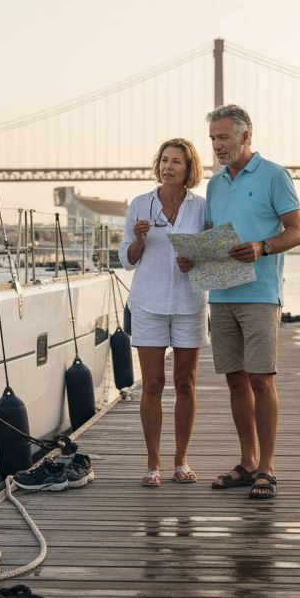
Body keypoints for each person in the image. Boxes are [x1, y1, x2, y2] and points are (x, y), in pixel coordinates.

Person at [194, 104, 300, 500]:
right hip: (221, 292)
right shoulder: (215, 185)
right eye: (213, 139)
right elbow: (212, 234)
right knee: (235, 380)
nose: (217, 145)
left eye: (223, 137)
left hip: (259, 294)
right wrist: (195, 255)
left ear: (245, 136)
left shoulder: (275, 175)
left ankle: (268, 468)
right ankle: (247, 462)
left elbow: (296, 232)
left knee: (261, 379)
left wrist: (262, 246)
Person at [118, 138, 209, 487]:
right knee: (153, 384)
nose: (168, 167)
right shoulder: (140, 205)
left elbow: (212, 251)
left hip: (190, 303)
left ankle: (181, 461)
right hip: (148, 303)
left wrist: (195, 259)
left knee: (186, 383)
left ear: (189, 169)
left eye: (176, 162)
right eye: (164, 160)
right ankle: (153, 463)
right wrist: (139, 239)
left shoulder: (201, 208)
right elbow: (126, 259)